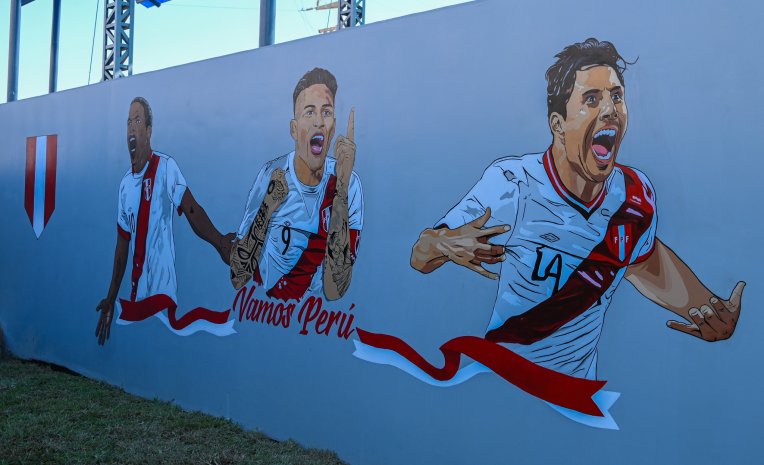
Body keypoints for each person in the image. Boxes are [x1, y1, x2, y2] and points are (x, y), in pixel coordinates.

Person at [408, 38, 744, 380]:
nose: (610, 109)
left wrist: (707, 310)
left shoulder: (634, 196)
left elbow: (642, 261)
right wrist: (443, 244)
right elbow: (420, 255)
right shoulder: (513, 184)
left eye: (616, 97)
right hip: (505, 383)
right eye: (592, 100)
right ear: (558, 124)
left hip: (577, 395)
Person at [95, 97, 235, 345]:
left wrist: (220, 242)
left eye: (137, 121)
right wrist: (111, 297)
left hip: (161, 294)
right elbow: (122, 247)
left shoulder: (165, 168)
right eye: (128, 122)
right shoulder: (125, 185)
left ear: (149, 131)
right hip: (137, 297)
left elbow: (192, 209)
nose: (131, 127)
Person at [230, 68, 364, 302]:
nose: (319, 122)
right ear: (294, 129)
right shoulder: (273, 174)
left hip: (313, 318)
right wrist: (267, 207)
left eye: (326, 112)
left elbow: (335, 291)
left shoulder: (348, 183)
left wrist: (341, 189)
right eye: (309, 112)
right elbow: (238, 275)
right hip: (268, 311)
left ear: (333, 126)